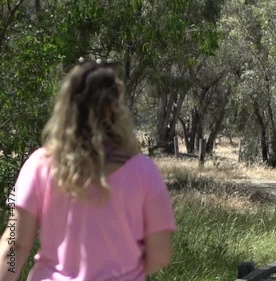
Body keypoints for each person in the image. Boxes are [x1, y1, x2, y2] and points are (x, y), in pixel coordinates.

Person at [0, 59, 176, 281]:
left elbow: (14, 243)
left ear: (66, 107)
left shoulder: (37, 165)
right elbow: (160, 256)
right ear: (117, 110)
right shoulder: (144, 172)